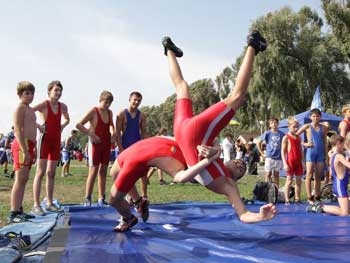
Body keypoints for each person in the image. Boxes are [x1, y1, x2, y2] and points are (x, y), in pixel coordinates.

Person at [162, 31, 276, 222]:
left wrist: (261, 216)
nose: (240, 163)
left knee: (237, 98)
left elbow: (244, 214)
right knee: (182, 87)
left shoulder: (228, 185)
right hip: (183, 131)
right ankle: (168, 50)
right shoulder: (218, 161)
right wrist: (214, 150)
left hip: (190, 133)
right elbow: (213, 143)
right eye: (241, 163)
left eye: (240, 169)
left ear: (236, 178)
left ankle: (253, 45)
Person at [109, 136, 223, 231]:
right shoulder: (190, 144)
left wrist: (211, 157)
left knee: (113, 199)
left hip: (135, 159)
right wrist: (216, 151)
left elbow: (182, 178)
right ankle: (138, 201)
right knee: (113, 173)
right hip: (136, 149)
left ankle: (128, 218)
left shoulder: (179, 167)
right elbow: (215, 138)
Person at [32, 80, 70, 216]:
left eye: (60, 91)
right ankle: (36, 205)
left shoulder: (63, 106)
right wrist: (38, 125)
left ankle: (49, 202)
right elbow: (29, 112)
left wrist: (62, 126)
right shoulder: (44, 104)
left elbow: (67, 119)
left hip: (56, 140)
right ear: (49, 91)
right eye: (56, 90)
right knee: (40, 172)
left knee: (51, 173)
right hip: (44, 139)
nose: (58, 93)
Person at [76, 90, 115, 206]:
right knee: (93, 171)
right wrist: (91, 134)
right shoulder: (94, 111)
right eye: (106, 102)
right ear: (100, 100)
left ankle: (101, 198)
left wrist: (113, 133)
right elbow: (78, 125)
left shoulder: (110, 112)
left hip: (106, 144)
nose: (107, 105)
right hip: (95, 144)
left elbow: (111, 125)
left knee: (103, 171)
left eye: (109, 103)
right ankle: (87, 198)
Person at [8, 81, 38, 223]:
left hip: (30, 145)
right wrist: (25, 150)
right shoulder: (20, 108)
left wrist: (34, 149)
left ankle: (19, 209)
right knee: (20, 178)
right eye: (27, 93)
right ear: (20, 95)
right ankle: (13, 212)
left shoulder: (30, 109)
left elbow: (32, 127)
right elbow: (17, 129)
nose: (30, 96)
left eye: (32, 93)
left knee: (25, 178)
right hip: (22, 144)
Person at [115, 91, 148, 200]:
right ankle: (128, 195)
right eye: (135, 100)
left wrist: (146, 147)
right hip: (125, 146)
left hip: (138, 147)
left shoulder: (142, 115)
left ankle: (144, 196)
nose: (137, 102)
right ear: (130, 100)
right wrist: (120, 148)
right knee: (125, 173)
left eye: (139, 100)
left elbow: (143, 132)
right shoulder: (121, 114)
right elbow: (117, 133)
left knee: (143, 172)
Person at [307, 134, 350, 216]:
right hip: (340, 185)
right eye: (343, 144)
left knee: (347, 210)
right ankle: (320, 207)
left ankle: (321, 207)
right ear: (338, 143)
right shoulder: (339, 156)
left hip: (339, 184)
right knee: (345, 213)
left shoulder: (332, 155)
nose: (344, 146)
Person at [297, 108, 329, 204]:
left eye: (317, 116)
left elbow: (325, 142)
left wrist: (326, 155)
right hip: (311, 153)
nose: (315, 118)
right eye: (314, 116)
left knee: (318, 175)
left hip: (320, 153)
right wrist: (305, 144)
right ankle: (309, 196)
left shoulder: (323, 127)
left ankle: (317, 195)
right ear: (311, 117)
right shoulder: (307, 126)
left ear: (320, 117)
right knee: (309, 174)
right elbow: (296, 136)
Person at [281, 117, 303, 205]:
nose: (296, 129)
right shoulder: (286, 137)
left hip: (298, 162)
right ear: (289, 127)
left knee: (298, 181)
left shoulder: (298, 137)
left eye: (297, 127)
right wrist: (285, 163)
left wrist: (303, 162)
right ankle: (287, 199)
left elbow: (301, 150)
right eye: (294, 127)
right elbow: (283, 152)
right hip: (290, 162)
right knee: (289, 181)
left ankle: (297, 199)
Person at [257, 118, 284, 187]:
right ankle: (265, 188)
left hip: (278, 157)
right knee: (268, 173)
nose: (274, 124)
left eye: (275, 122)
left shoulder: (282, 134)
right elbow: (258, 142)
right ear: (270, 125)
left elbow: (286, 143)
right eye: (272, 122)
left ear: (278, 124)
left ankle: (276, 189)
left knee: (276, 175)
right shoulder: (267, 133)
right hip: (269, 157)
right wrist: (262, 153)